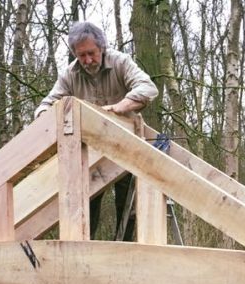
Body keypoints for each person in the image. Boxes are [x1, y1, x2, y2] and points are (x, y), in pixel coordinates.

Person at [35, 22, 159, 241]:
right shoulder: (70, 74)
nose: (87, 60)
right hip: (90, 153)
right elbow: (47, 105)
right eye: (81, 55)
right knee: (86, 204)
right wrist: (46, 119)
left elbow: (148, 88)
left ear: (102, 47)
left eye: (91, 53)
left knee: (127, 205)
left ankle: (124, 252)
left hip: (126, 146)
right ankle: (85, 254)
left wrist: (119, 107)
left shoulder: (120, 62)